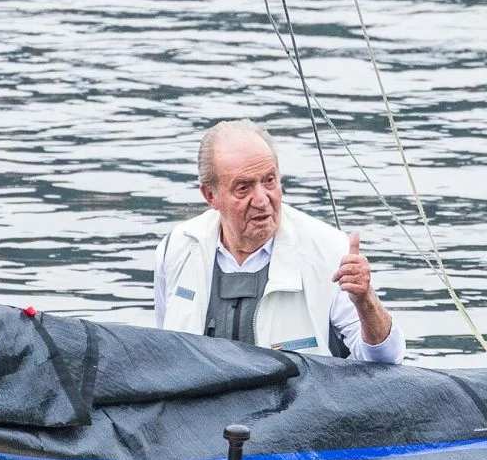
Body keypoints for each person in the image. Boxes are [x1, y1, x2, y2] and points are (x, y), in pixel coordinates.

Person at [154, 119, 405, 362]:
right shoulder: (176, 248)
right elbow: (166, 355)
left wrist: (365, 300)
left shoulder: (331, 252)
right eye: (244, 188)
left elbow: (387, 360)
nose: (262, 199)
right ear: (211, 196)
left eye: (269, 181)